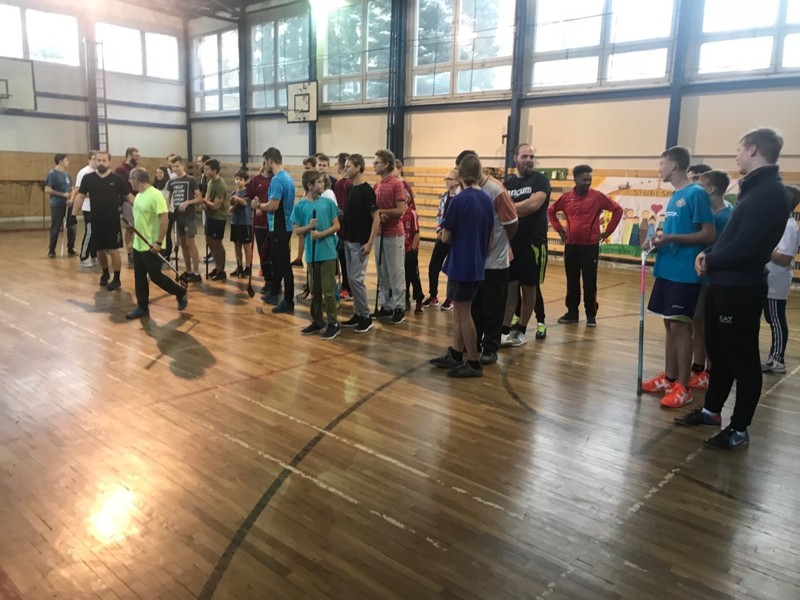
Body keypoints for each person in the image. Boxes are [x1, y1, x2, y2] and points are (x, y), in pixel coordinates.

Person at [675, 128, 791, 449]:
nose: (736, 155)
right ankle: (711, 411)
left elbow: (749, 246)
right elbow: (731, 238)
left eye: (740, 149)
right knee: (720, 354)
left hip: (741, 289)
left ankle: (739, 429)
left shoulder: (769, 192)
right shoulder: (753, 189)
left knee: (743, 360)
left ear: (753, 149)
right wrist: (709, 254)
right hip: (724, 284)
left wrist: (710, 259)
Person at [641, 146, 716, 409]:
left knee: (681, 327)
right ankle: (669, 378)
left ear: (673, 165)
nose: (659, 169)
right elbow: (675, 232)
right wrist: (657, 241)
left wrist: (671, 237)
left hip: (685, 274)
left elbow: (709, 234)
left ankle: (683, 387)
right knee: (669, 325)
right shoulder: (675, 196)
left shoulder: (696, 194)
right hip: (667, 269)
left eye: (661, 164)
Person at [429, 154, 495, 378]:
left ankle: (473, 362)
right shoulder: (486, 198)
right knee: (459, 310)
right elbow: (491, 237)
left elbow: (446, 237)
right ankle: (457, 354)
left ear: (460, 175)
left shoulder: (459, 200)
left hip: (461, 263)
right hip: (476, 261)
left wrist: (441, 233)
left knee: (464, 313)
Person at [548, 164, 623, 326]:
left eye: (590, 180)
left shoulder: (597, 197)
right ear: (575, 180)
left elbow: (618, 210)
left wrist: (608, 232)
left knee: (590, 282)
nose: (588, 183)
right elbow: (551, 211)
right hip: (571, 247)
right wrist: (559, 230)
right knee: (572, 281)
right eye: (584, 180)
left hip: (590, 247)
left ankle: (591, 315)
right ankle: (572, 313)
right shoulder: (566, 197)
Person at [502, 143, 552, 347]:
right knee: (510, 288)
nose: (529, 160)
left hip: (533, 244)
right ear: (515, 158)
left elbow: (533, 205)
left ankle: (522, 330)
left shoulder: (540, 180)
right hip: (512, 243)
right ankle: (505, 330)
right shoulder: (508, 183)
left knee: (529, 288)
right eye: (525, 156)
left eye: (532, 156)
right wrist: (518, 208)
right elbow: (501, 208)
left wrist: (510, 207)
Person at [689, 169, 734, 389]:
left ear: (711, 189)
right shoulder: (712, 213)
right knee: (698, 322)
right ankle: (698, 366)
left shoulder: (724, 217)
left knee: (710, 326)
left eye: (699, 186)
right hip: (701, 279)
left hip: (713, 279)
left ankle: (709, 369)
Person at [471, 157, 518, 366]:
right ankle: (473, 343)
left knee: (493, 307)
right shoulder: (467, 189)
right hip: (475, 260)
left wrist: (501, 245)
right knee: (475, 306)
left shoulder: (496, 190)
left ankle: (490, 348)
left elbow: (512, 223)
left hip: (496, 261)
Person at [125, 167, 188, 320]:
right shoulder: (139, 196)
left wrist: (158, 242)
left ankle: (179, 292)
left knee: (155, 276)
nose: (129, 182)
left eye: (131, 179)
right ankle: (142, 307)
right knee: (139, 277)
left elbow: (164, 219)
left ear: (137, 179)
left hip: (152, 244)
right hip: (139, 244)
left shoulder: (155, 195)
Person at [71, 151, 134, 291]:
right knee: (99, 250)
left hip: (112, 221)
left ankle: (116, 278)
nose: (101, 163)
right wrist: (73, 215)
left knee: (114, 250)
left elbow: (129, 197)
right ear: (94, 161)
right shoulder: (88, 178)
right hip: (96, 220)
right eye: (98, 160)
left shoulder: (117, 179)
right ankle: (105, 274)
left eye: (104, 160)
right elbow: (80, 196)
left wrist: (143, 210)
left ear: (109, 162)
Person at [291, 170, 341, 340]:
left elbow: (336, 226)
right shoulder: (300, 206)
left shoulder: (328, 203)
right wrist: (308, 227)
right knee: (315, 290)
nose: (323, 184)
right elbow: (297, 230)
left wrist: (321, 234)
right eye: (319, 182)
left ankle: (333, 323)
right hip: (312, 254)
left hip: (327, 253)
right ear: (310, 185)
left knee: (328, 290)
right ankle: (318, 320)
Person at [339, 153, 380, 333]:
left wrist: (370, 242)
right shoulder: (350, 188)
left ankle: (365, 316)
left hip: (360, 242)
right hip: (349, 240)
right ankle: (358, 313)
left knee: (356, 279)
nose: (345, 169)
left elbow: (376, 217)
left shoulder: (366, 190)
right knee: (351, 279)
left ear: (357, 167)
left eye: (348, 166)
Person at [762, 185, 800, 374]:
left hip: (776, 281)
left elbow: (784, 258)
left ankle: (777, 359)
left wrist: (763, 246)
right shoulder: (779, 223)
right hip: (768, 278)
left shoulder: (789, 226)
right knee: (771, 317)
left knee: (776, 319)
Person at [373, 149, 408, 324]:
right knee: (382, 272)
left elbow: (401, 209)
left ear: (386, 164)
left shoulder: (396, 184)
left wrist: (381, 212)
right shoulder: (377, 185)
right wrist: (378, 215)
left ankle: (399, 306)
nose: (374, 165)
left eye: (377, 162)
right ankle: (386, 305)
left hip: (393, 234)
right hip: (379, 233)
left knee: (396, 272)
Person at [259, 147, 296, 314]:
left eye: (265, 162)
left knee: (283, 264)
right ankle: (274, 292)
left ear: (270, 161)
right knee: (277, 261)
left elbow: (273, 206)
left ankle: (288, 300)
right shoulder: (287, 178)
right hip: (285, 225)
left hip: (279, 226)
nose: (265, 165)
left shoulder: (277, 180)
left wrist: (259, 205)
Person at [422, 170, 459, 311]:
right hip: (442, 236)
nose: (447, 181)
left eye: (449, 178)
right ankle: (433, 295)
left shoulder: (460, 197)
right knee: (433, 265)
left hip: (455, 238)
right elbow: (439, 215)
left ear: (457, 180)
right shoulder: (444, 197)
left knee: (452, 268)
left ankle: (451, 298)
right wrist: (439, 230)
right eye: (446, 179)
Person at [247, 158, 274, 293]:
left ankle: (276, 281)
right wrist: (253, 204)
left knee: (273, 254)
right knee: (263, 253)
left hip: (273, 224)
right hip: (259, 224)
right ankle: (268, 280)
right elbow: (248, 198)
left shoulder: (276, 180)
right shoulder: (256, 180)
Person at [203, 159, 229, 281]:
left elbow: (216, 206)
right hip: (210, 216)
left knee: (217, 243)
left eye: (207, 169)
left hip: (218, 217)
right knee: (210, 241)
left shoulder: (220, 185)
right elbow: (208, 198)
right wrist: (205, 204)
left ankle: (221, 270)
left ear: (214, 170)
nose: (205, 171)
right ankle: (217, 267)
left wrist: (205, 201)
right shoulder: (210, 182)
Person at [45, 153, 75, 257]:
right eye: (66, 160)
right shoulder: (52, 174)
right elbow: (47, 189)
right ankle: (51, 250)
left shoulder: (67, 174)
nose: (68, 162)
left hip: (68, 204)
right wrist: (62, 194)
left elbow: (72, 188)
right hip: (57, 204)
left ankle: (71, 248)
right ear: (61, 161)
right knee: (56, 226)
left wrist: (71, 198)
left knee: (71, 226)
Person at [114, 147, 140, 263]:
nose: (138, 158)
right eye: (136, 156)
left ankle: (137, 249)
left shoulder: (135, 169)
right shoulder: (121, 169)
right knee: (130, 228)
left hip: (137, 200)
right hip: (127, 202)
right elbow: (121, 188)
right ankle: (130, 252)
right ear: (129, 155)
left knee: (138, 227)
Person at [74, 151, 98, 267]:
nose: (96, 161)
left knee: (97, 232)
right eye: (93, 159)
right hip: (88, 207)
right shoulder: (84, 172)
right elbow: (79, 190)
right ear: (89, 160)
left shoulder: (99, 173)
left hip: (98, 207)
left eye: (97, 159)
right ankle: (83, 257)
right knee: (89, 232)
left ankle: (94, 255)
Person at [229, 170, 253, 279]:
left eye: (241, 179)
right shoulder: (233, 193)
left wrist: (237, 199)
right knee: (237, 245)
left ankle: (248, 267)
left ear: (246, 181)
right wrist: (233, 206)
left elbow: (245, 203)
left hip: (245, 222)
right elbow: (230, 209)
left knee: (246, 246)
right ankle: (239, 266)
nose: (238, 181)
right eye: (237, 179)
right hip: (235, 222)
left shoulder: (248, 193)